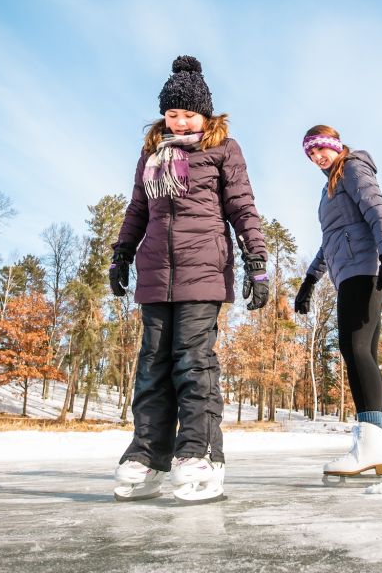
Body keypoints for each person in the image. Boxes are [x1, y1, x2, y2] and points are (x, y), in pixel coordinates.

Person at [109, 55, 269, 504]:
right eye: (172, 114)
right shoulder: (151, 154)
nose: (179, 123)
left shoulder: (223, 150)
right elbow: (139, 209)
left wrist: (257, 259)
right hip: (156, 272)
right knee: (152, 366)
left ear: (206, 115)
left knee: (194, 364)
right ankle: (148, 456)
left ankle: (199, 455)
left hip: (204, 270)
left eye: (188, 115)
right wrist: (122, 254)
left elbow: (242, 206)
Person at [292, 124, 382, 480]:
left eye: (321, 149)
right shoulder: (329, 189)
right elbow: (330, 241)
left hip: (366, 271)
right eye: (310, 153)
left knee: (353, 349)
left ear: (336, 145)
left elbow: (377, 211)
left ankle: (370, 442)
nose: (317, 157)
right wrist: (310, 280)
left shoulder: (353, 168)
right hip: (349, 274)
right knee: (364, 353)